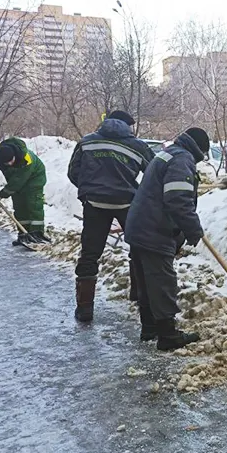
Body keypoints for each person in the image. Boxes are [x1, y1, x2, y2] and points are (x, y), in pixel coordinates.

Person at [124, 127, 210, 351]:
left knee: (145, 280)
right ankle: (167, 335)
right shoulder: (182, 160)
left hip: (139, 226)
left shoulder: (168, 153)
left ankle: (150, 328)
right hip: (154, 230)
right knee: (161, 282)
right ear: (200, 149)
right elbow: (177, 199)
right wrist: (193, 230)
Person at [67, 110, 153, 323]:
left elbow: (72, 172)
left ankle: (85, 309)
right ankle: (138, 296)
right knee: (139, 248)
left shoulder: (86, 142)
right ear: (128, 126)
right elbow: (154, 173)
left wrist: (88, 190)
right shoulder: (138, 146)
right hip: (127, 203)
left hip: (94, 204)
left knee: (90, 253)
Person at [0, 137, 49, 245]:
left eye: (11, 161)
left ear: (15, 155)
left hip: (34, 179)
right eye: (6, 163)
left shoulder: (26, 159)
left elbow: (16, 182)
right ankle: (23, 234)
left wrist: (1, 195)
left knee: (33, 205)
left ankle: (37, 234)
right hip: (15, 179)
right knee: (19, 206)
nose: (10, 164)